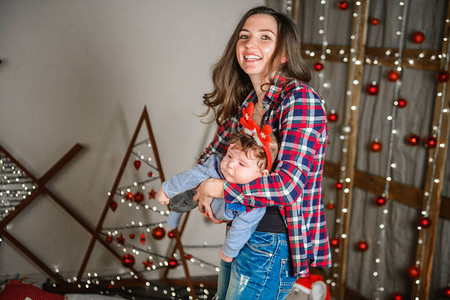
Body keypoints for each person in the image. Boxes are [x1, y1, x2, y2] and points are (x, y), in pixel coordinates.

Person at [193, 6, 332, 300]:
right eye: (244, 36)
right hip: (239, 231)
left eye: (265, 37)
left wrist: (221, 188)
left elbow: (288, 185)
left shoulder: (300, 100)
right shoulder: (248, 104)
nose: (250, 45)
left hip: (273, 240)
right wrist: (199, 186)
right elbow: (211, 157)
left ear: (283, 54)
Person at [157, 106, 279, 263]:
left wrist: (229, 251)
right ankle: (175, 212)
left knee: (241, 226)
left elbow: (241, 229)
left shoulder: (255, 200)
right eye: (229, 155)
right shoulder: (215, 166)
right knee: (188, 193)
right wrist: (167, 190)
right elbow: (188, 177)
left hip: (226, 214)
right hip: (202, 194)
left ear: (261, 175)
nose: (230, 164)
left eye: (241, 164)